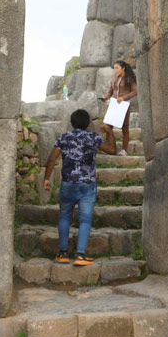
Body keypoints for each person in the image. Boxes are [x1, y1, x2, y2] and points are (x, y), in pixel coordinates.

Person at [42, 109, 117, 266]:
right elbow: (112, 150)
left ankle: (62, 253)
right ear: (88, 123)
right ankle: (80, 255)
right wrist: (110, 132)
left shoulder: (63, 137)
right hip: (87, 185)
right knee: (85, 220)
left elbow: (51, 158)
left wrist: (46, 179)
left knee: (64, 217)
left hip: (67, 183)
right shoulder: (93, 137)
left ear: (72, 122)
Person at [99, 60, 138, 156]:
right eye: (114, 68)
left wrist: (123, 98)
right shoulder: (114, 79)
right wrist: (105, 97)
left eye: (117, 68)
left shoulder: (129, 78)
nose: (115, 70)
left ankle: (124, 150)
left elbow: (134, 92)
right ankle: (109, 147)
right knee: (107, 127)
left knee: (125, 128)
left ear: (123, 68)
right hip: (114, 105)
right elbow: (110, 91)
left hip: (124, 105)